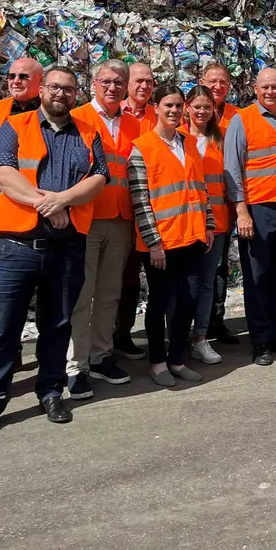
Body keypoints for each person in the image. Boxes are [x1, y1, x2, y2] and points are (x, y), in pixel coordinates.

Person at [0, 66, 107, 441]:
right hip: (16, 247)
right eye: (54, 87)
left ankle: (50, 391)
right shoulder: (15, 127)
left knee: (58, 324)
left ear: (76, 93)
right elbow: (0, 171)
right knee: (2, 328)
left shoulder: (89, 132)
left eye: (67, 88)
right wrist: (45, 203)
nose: (60, 94)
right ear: (41, 90)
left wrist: (64, 199)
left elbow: (99, 177)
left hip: (67, 247)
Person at [128, 84, 217, 388]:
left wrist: (207, 224)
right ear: (155, 107)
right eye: (168, 105)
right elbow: (140, 200)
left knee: (188, 301)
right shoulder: (142, 147)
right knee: (161, 303)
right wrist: (153, 243)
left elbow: (200, 188)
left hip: (191, 238)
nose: (174, 111)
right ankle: (157, 363)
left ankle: (177, 359)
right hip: (161, 244)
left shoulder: (189, 143)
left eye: (179, 106)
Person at [63, 61, 138, 401]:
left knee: (109, 292)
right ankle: (76, 366)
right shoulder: (77, 119)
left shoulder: (135, 124)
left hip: (122, 218)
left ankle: (101, 355)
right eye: (105, 81)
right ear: (93, 84)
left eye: (118, 82)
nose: (112, 87)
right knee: (83, 294)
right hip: (87, 219)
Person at [226, 69, 276, 366]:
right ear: (255, 89)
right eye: (265, 87)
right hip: (258, 208)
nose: (271, 92)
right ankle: (259, 340)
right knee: (258, 276)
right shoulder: (242, 119)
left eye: (275, 87)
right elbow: (233, 169)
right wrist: (241, 210)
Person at [111, 60, 160, 359]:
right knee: (121, 279)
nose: (144, 86)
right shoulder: (118, 115)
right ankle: (114, 334)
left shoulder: (161, 114)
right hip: (122, 211)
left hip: (156, 211)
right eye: (138, 81)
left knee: (147, 280)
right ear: (128, 83)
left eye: (149, 82)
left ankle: (134, 334)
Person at [182, 86, 233, 365]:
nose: (201, 112)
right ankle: (177, 335)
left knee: (205, 282)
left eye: (207, 107)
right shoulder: (177, 138)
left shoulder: (221, 140)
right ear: (187, 107)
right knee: (181, 283)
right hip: (182, 221)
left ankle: (200, 337)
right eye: (197, 106)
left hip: (217, 224)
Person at [197, 63, 241, 347]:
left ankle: (216, 319)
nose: (217, 87)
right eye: (212, 81)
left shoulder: (237, 116)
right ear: (202, 82)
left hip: (224, 206)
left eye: (222, 82)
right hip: (192, 208)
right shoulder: (188, 115)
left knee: (219, 267)